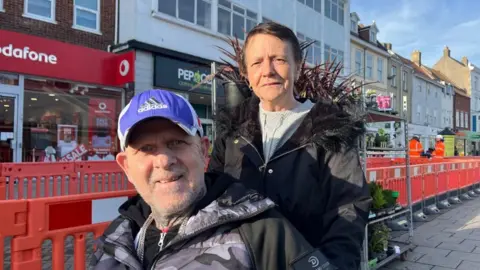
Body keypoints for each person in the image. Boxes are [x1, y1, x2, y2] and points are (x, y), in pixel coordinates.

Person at [91, 89, 333, 270]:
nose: (164, 160)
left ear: (203, 150)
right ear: (126, 166)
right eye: (145, 148)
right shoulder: (115, 240)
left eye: (177, 142)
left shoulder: (261, 231)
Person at [208, 22, 371, 270]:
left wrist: (330, 265)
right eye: (257, 62)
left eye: (279, 59)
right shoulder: (231, 131)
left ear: (297, 66)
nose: (268, 71)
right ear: (245, 73)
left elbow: (348, 208)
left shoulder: (329, 130)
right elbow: (212, 197)